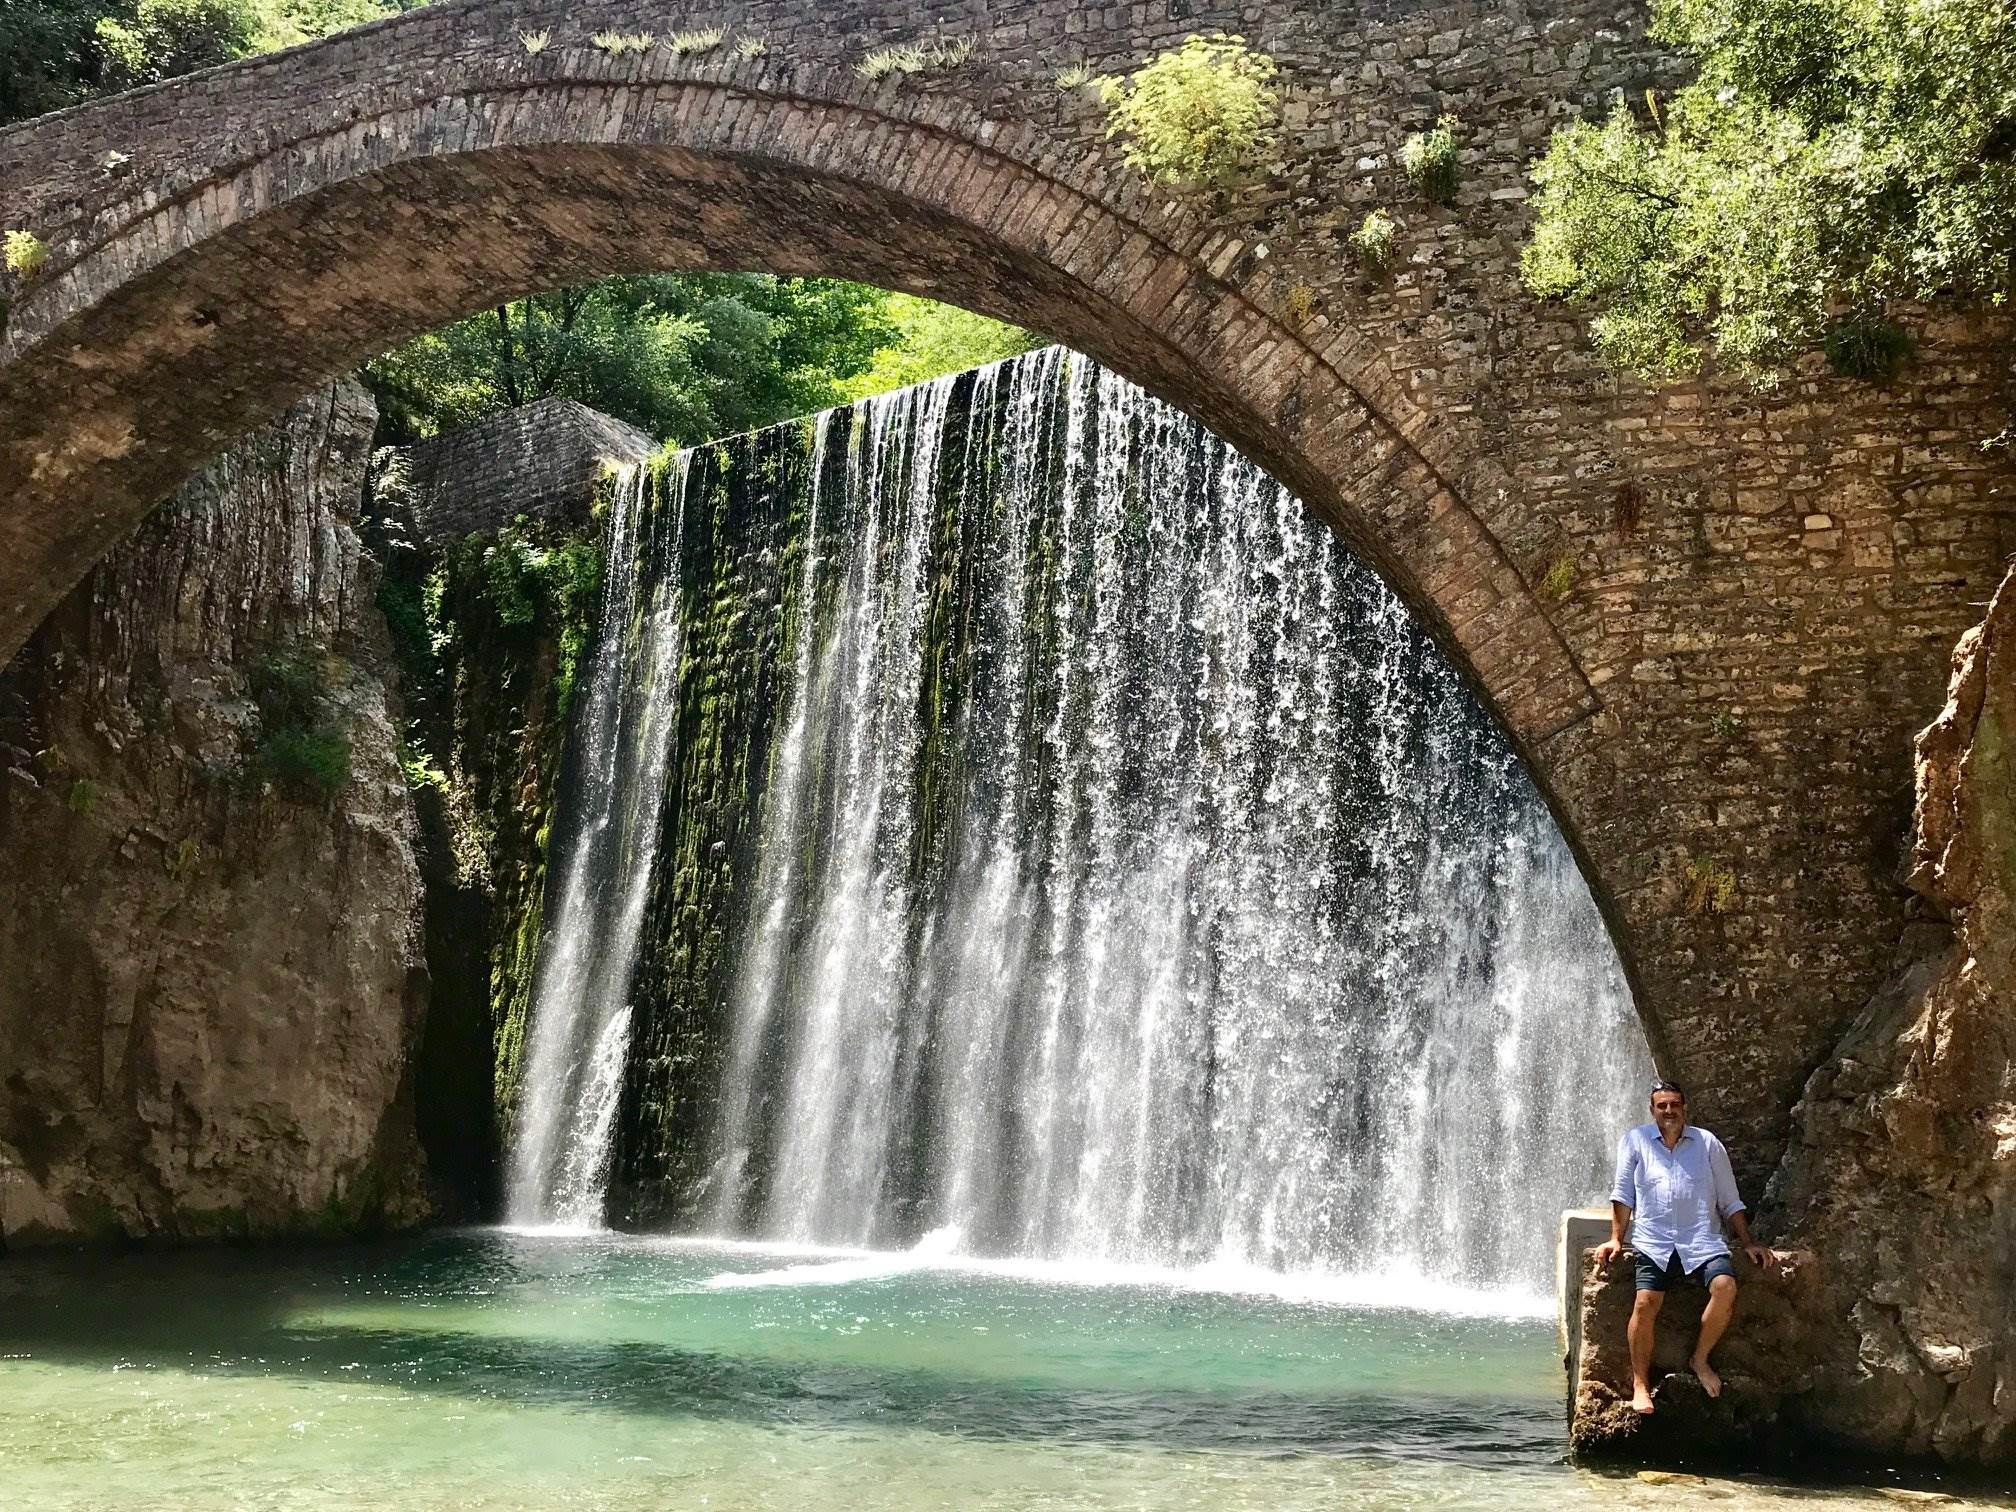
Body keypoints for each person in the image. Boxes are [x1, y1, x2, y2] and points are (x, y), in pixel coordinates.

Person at [1592, 1079, 1774, 1415]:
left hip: (1701, 1240)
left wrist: (1748, 1242)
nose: (1669, 1111)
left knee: (1725, 1286)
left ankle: (1699, 1359)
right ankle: (1640, 1384)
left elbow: (1729, 1199)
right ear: (1652, 1110)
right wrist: (1617, 1238)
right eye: (1662, 1105)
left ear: (1684, 1107)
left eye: (1674, 1104)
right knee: (1645, 1302)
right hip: (1654, 1241)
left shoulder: (1707, 1143)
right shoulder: (1635, 1140)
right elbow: (1623, 1194)